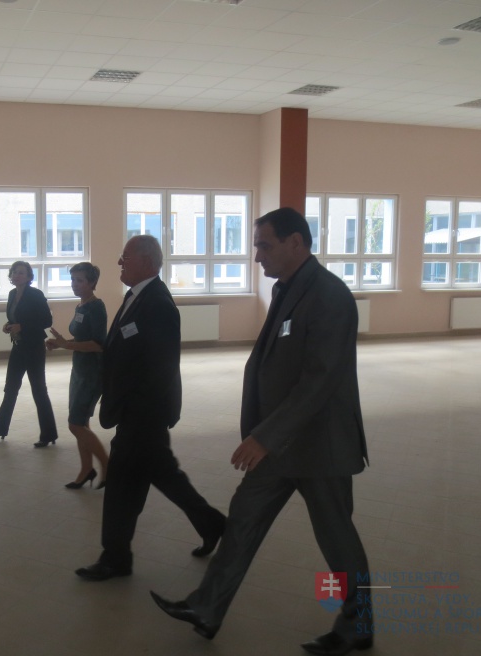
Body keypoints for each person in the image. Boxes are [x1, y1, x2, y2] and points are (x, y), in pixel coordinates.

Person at [150, 208, 372, 655]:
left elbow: (320, 381)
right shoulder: (287, 288)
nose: (257, 256)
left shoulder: (329, 295)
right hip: (279, 445)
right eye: (256, 246)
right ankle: (207, 607)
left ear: (296, 243)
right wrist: (267, 434)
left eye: (264, 245)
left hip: (319, 446)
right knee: (244, 519)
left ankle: (358, 625)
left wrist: (265, 436)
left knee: (336, 540)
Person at [75, 235, 226, 582]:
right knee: (161, 476)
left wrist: (137, 413)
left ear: (145, 261)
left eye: (125, 257)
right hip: (139, 414)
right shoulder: (137, 296)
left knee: (122, 487)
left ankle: (115, 558)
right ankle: (213, 525)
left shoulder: (157, 303)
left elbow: (160, 366)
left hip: (142, 414)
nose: (119, 262)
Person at [46, 262, 110, 490]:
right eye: (72, 279)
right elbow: (82, 339)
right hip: (79, 370)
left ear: (92, 283)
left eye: (79, 280)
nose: (74, 284)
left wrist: (67, 345)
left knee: (75, 424)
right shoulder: (81, 305)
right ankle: (86, 470)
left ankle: (107, 466)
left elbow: (98, 344)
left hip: (92, 373)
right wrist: (62, 343)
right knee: (81, 423)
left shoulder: (96, 307)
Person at [0, 261, 59, 448]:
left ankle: (48, 434)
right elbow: (14, 317)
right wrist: (8, 325)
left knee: (39, 390)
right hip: (18, 346)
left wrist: (22, 326)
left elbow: (46, 320)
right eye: (15, 272)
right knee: (10, 388)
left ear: (28, 276)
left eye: (21, 273)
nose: (17, 275)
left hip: (34, 347)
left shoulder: (36, 294)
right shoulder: (12, 294)